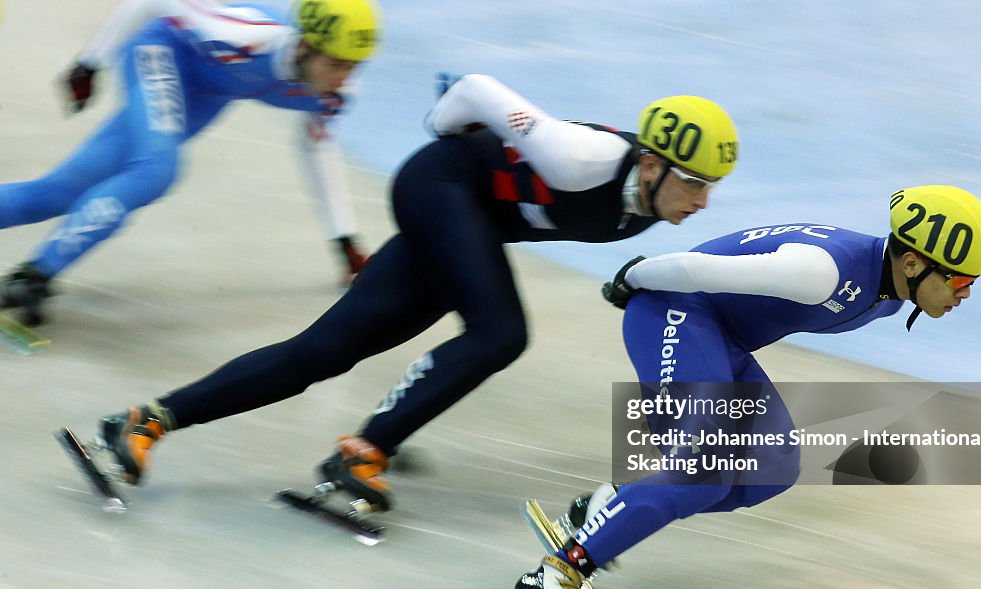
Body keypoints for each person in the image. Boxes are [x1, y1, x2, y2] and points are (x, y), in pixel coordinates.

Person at [76, 74, 742, 517]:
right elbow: (479, 90)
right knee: (501, 332)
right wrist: (441, 127)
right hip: (441, 189)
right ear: (651, 163)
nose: (703, 200)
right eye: (693, 182)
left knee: (324, 352)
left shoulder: (655, 201)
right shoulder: (581, 158)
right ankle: (367, 450)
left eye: (711, 185)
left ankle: (148, 420)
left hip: (466, 221)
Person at [509, 185, 981, 589]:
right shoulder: (825, 273)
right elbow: (694, 268)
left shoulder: (889, 290)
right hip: (674, 310)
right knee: (704, 467)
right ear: (913, 263)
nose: (966, 293)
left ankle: (611, 507)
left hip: (721, 338)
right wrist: (630, 278)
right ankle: (561, 571)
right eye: (961, 280)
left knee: (773, 468)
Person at [0, 0, 380, 325]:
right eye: (337, 64)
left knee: (57, 192)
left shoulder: (336, 94)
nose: (344, 78)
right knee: (157, 169)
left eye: (354, 67)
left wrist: (343, 239)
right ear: (304, 47)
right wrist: (90, 62)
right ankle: (36, 274)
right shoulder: (245, 37)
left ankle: (35, 272)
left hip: (204, 94)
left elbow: (315, 146)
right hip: (161, 51)